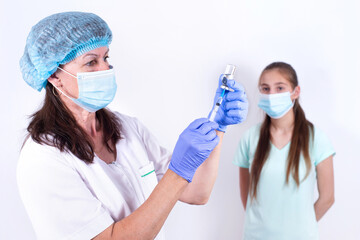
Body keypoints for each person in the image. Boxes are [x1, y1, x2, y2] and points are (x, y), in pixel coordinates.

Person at [17, 12, 248, 240]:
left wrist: (218, 126)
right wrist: (178, 172)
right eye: (91, 62)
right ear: (55, 77)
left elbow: (197, 192)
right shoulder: (43, 158)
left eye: (106, 58)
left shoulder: (127, 128)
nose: (105, 69)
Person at [233, 62, 335, 240]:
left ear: (295, 92)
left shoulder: (316, 138)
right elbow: (247, 197)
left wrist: (300, 228)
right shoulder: (249, 138)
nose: (272, 95)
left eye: (280, 88)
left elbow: (327, 197)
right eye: (265, 89)